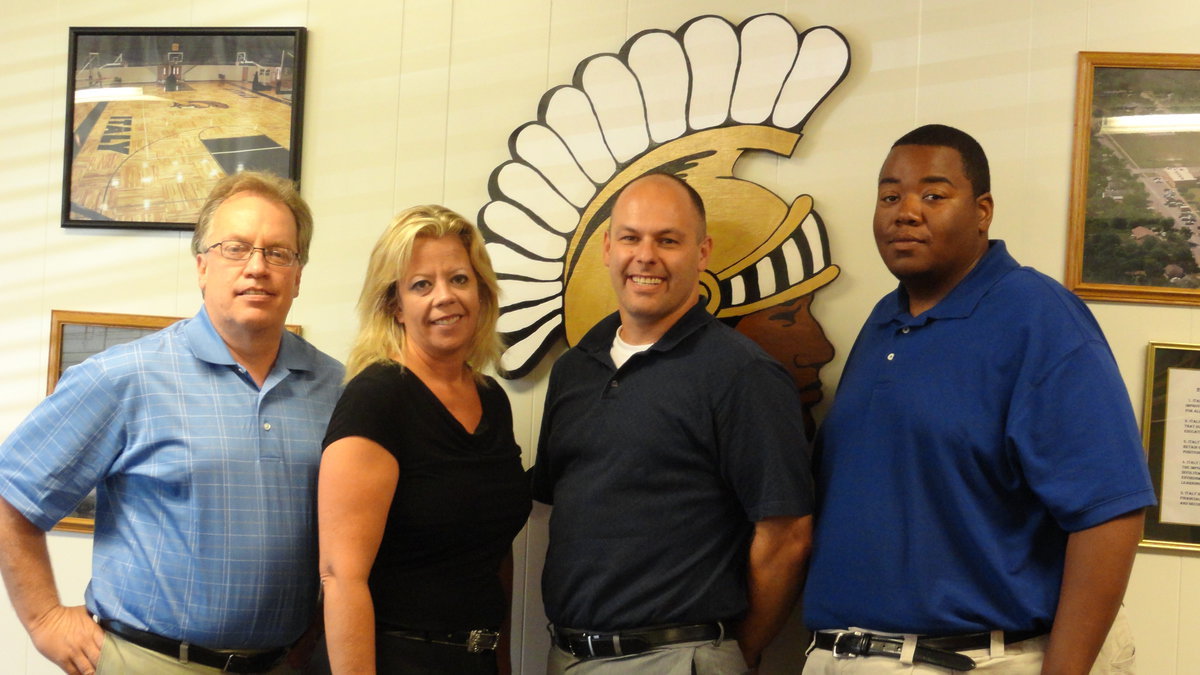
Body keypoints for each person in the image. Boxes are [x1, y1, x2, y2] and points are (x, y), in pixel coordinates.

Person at [802, 124, 1157, 673]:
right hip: (848, 654)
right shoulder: (882, 321)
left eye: (933, 195)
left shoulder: (1038, 317)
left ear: (982, 209)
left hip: (975, 659)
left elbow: (1109, 513)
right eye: (890, 195)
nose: (906, 211)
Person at [0, 171, 344, 675]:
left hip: (283, 665)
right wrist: (46, 619)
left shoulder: (335, 387)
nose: (257, 267)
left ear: (298, 274)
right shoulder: (124, 377)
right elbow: (12, 494)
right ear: (201, 265)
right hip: (149, 662)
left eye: (278, 252)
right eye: (235, 248)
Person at [531, 172, 814, 674]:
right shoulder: (574, 370)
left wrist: (734, 652)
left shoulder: (742, 373)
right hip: (569, 657)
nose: (646, 256)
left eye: (668, 240)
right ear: (606, 247)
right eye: (631, 238)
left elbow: (787, 535)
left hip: (680, 657)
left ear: (702, 253)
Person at [318, 205, 531, 675]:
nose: (445, 298)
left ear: (481, 291)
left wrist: (502, 659)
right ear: (395, 304)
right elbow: (340, 576)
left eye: (458, 278)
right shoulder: (377, 396)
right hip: (393, 659)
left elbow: (492, 551)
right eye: (421, 285)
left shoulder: (492, 399)